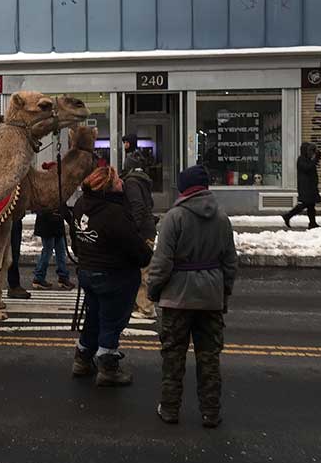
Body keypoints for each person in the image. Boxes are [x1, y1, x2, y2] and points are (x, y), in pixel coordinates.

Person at [147, 165, 237, 429]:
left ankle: (170, 408)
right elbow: (230, 262)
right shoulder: (222, 218)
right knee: (209, 356)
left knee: (173, 355)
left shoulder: (174, 218)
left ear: (184, 188)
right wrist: (224, 292)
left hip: (177, 297)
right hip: (210, 297)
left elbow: (161, 262)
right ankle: (211, 411)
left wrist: (154, 290)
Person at [70, 166, 153, 387]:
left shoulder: (81, 205)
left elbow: (75, 239)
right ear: (108, 186)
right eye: (117, 181)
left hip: (88, 272)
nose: (122, 183)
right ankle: (107, 366)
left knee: (94, 317)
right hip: (114, 276)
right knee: (111, 321)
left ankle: (83, 357)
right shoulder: (114, 213)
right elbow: (137, 250)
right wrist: (146, 253)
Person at [122, 162, 157, 318]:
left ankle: (146, 308)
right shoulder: (143, 182)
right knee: (140, 269)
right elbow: (149, 204)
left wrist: (132, 228)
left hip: (141, 232)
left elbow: (137, 206)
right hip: (147, 229)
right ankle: (140, 304)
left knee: (143, 271)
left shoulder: (131, 183)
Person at [32, 209, 74, 290]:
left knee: (60, 251)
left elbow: (62, 206)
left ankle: (63, 277)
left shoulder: (56, 198)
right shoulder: (46, 198)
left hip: (55, 225)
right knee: (48, 252)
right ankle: (39, 277)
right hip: (48, 225)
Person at [282, 143, 321, 229]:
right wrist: (315, 160)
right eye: (310, 150)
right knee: (304, 204)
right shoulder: (301, 159)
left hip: (310, 186)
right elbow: (308, 168)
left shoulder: (308, 159)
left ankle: (312, 223)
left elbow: (311, 168)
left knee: (311, 205)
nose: (311, 152)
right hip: (305, 187)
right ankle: (288, 216)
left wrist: (316, 158)